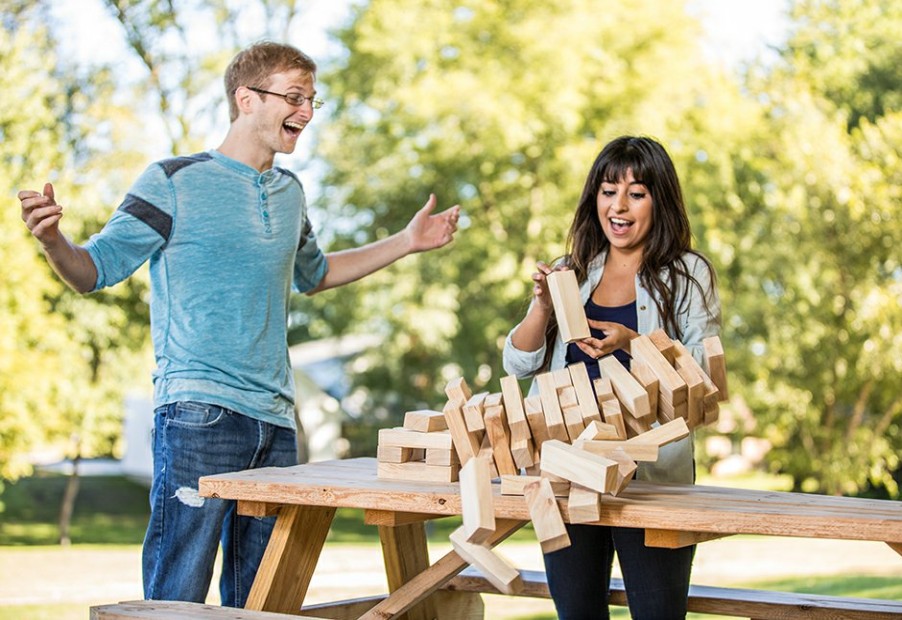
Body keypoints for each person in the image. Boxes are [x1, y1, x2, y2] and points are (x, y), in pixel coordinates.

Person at [18, 41, 460, 607]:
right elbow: (93, 270)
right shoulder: (172, 181)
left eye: (311, 100)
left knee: (264, 599)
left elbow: (315, 273)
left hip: (276, 421)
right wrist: (54, 239)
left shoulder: (291, 193)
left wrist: (406, 242)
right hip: (198, 413)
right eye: (294, 97)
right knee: (175, 600)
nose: (305, 111)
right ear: (246, 99)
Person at [502, 135, 721, 619]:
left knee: (658, 614)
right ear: (593, 198)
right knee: (577, 613)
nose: (618, 206)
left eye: (636, 193)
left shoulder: (688, 274)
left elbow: (705, 382)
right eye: (607, 191)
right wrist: (542, 305)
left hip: (653, 475)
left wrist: (633, 343)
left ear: (659, 201)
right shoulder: (572, 272)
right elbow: (518, 365)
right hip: (568, 470)